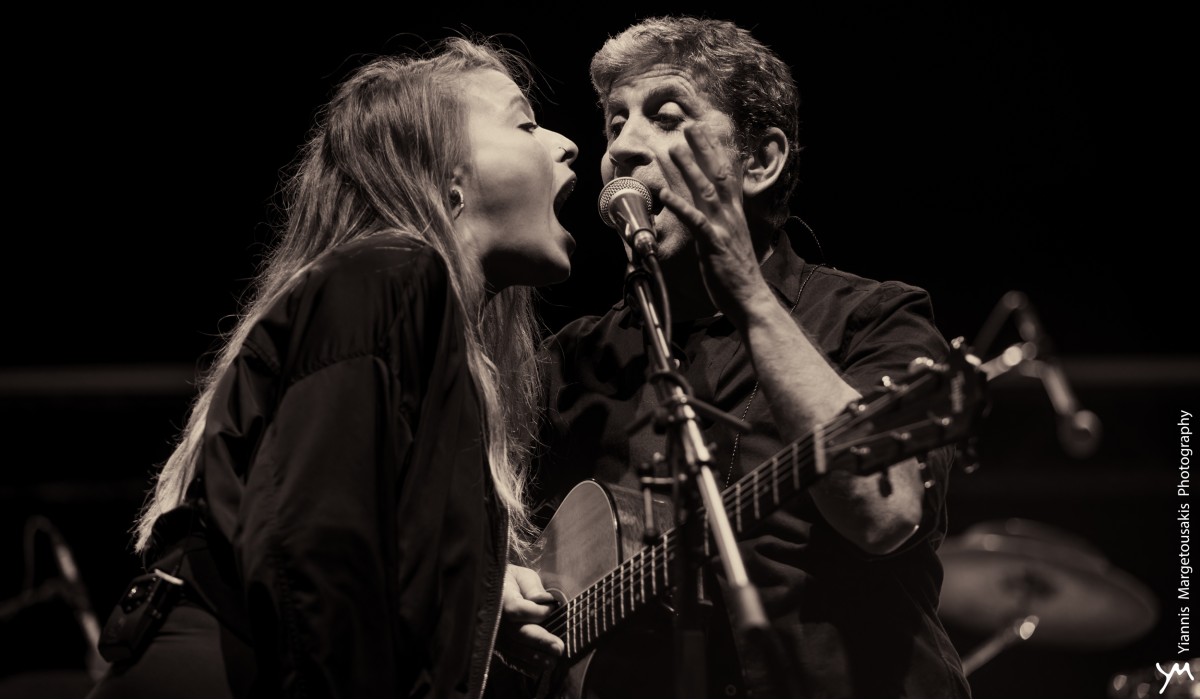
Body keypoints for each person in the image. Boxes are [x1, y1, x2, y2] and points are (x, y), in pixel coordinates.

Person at [88, 36, 579, 698]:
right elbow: (318, 553)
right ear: (445, 173)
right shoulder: (395, 273)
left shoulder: (409, 307)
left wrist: (473, 599)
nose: (566, 144)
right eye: (524, 124)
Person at [499, 16, 972, 698]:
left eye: (666, 117)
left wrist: (747, 292)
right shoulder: (571, 362)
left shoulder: (872, 318)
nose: (622, 148)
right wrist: (499, 583)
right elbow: (452, 536)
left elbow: (883, 513)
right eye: (614, 123)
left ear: (759, 162)